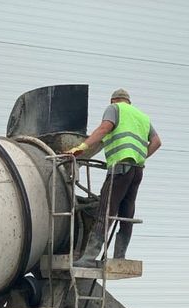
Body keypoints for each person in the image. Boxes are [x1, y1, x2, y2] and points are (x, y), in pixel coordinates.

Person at [65, 88, 162, 266]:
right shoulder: (142, 117)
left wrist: (82, 147)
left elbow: (104, 129)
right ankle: (119, 257)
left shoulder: (115, 109)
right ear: (129, 102)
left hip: (120, 169)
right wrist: (139, 157)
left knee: (106, 209)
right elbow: (157, 142)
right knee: (126, 213)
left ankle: (88, 258)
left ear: (113, 101)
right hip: (136, 170)